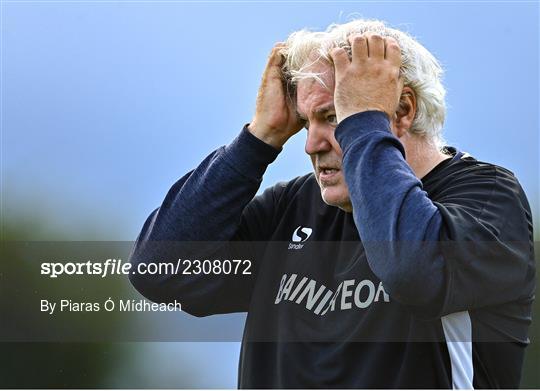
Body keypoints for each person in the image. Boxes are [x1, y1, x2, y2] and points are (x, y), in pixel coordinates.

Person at [129, 19, 535, 388]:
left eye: (335, 118)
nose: (310, 144)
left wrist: (363, 122)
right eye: (308, 122)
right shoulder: (293, 207)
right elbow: (159, 273)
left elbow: (414, 272)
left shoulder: (487, 198)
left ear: (403, 110)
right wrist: (260, 137)